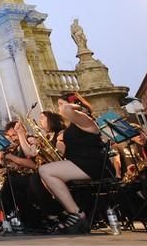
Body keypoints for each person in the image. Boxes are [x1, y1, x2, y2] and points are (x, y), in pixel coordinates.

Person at [37, 93, 111, 234]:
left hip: (92, 165)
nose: (59, 108)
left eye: (60, 103)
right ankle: (69, 212)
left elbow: (67, 111)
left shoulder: (84, 119)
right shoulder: (74, 124)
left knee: (46, 171)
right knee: (45, 174)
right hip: (80, 163)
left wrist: (74, 105)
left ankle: (76, 214)